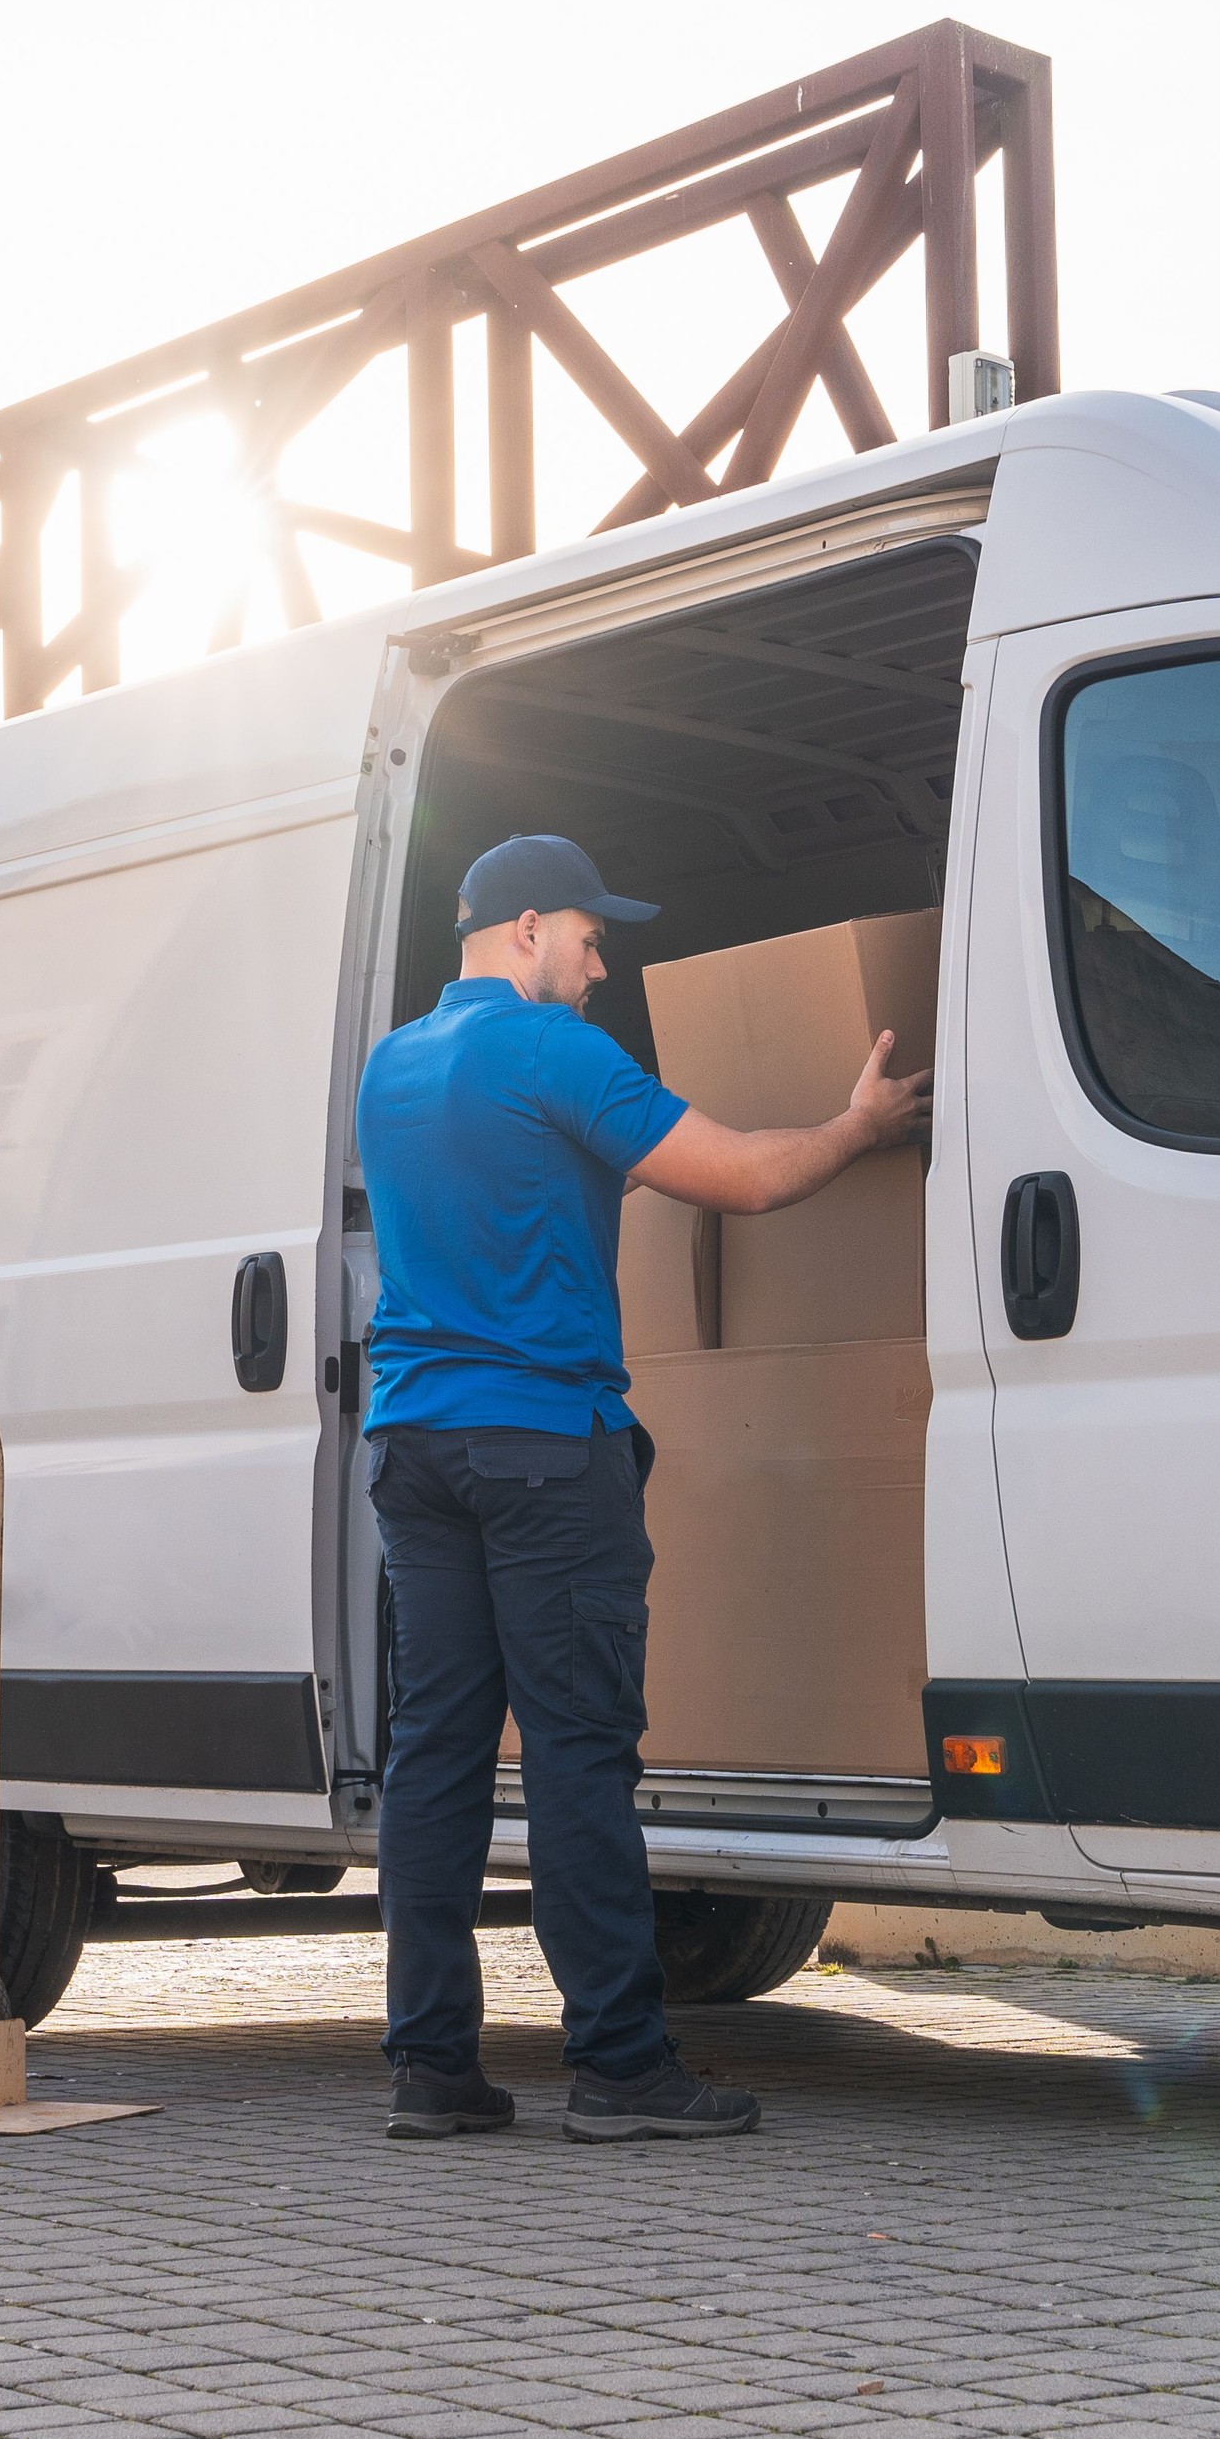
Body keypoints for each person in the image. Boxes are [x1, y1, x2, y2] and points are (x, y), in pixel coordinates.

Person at [355, 834, 932, 2143]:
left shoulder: (393, 1066)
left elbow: (526, 1180)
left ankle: (431, 2069)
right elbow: (743, 1179)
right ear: (525, 930)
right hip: (544, 1448)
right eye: (590, 935)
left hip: (415, 1448)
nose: (602, 964)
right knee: (576, 1751)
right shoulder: (552, 1052)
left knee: (436, 1755)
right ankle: (619, 2065)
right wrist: (859, 1125)